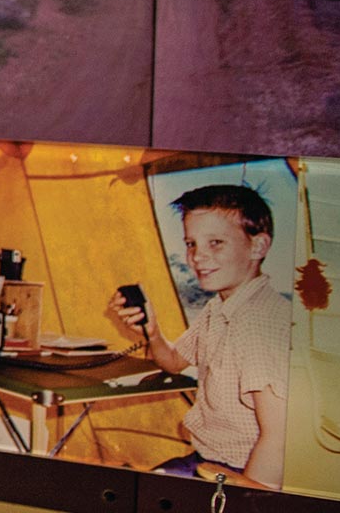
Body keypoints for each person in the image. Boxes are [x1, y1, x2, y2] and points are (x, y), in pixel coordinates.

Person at [109, 185, 294, 488]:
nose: (197, 256)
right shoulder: (218, 308)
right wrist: (152, 331)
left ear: (258, 247)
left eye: (216, 243)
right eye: (191, 243)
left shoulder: (260, 322)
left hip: (240, 472)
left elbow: (278, 437)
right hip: (207, 459)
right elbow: (173, 362)